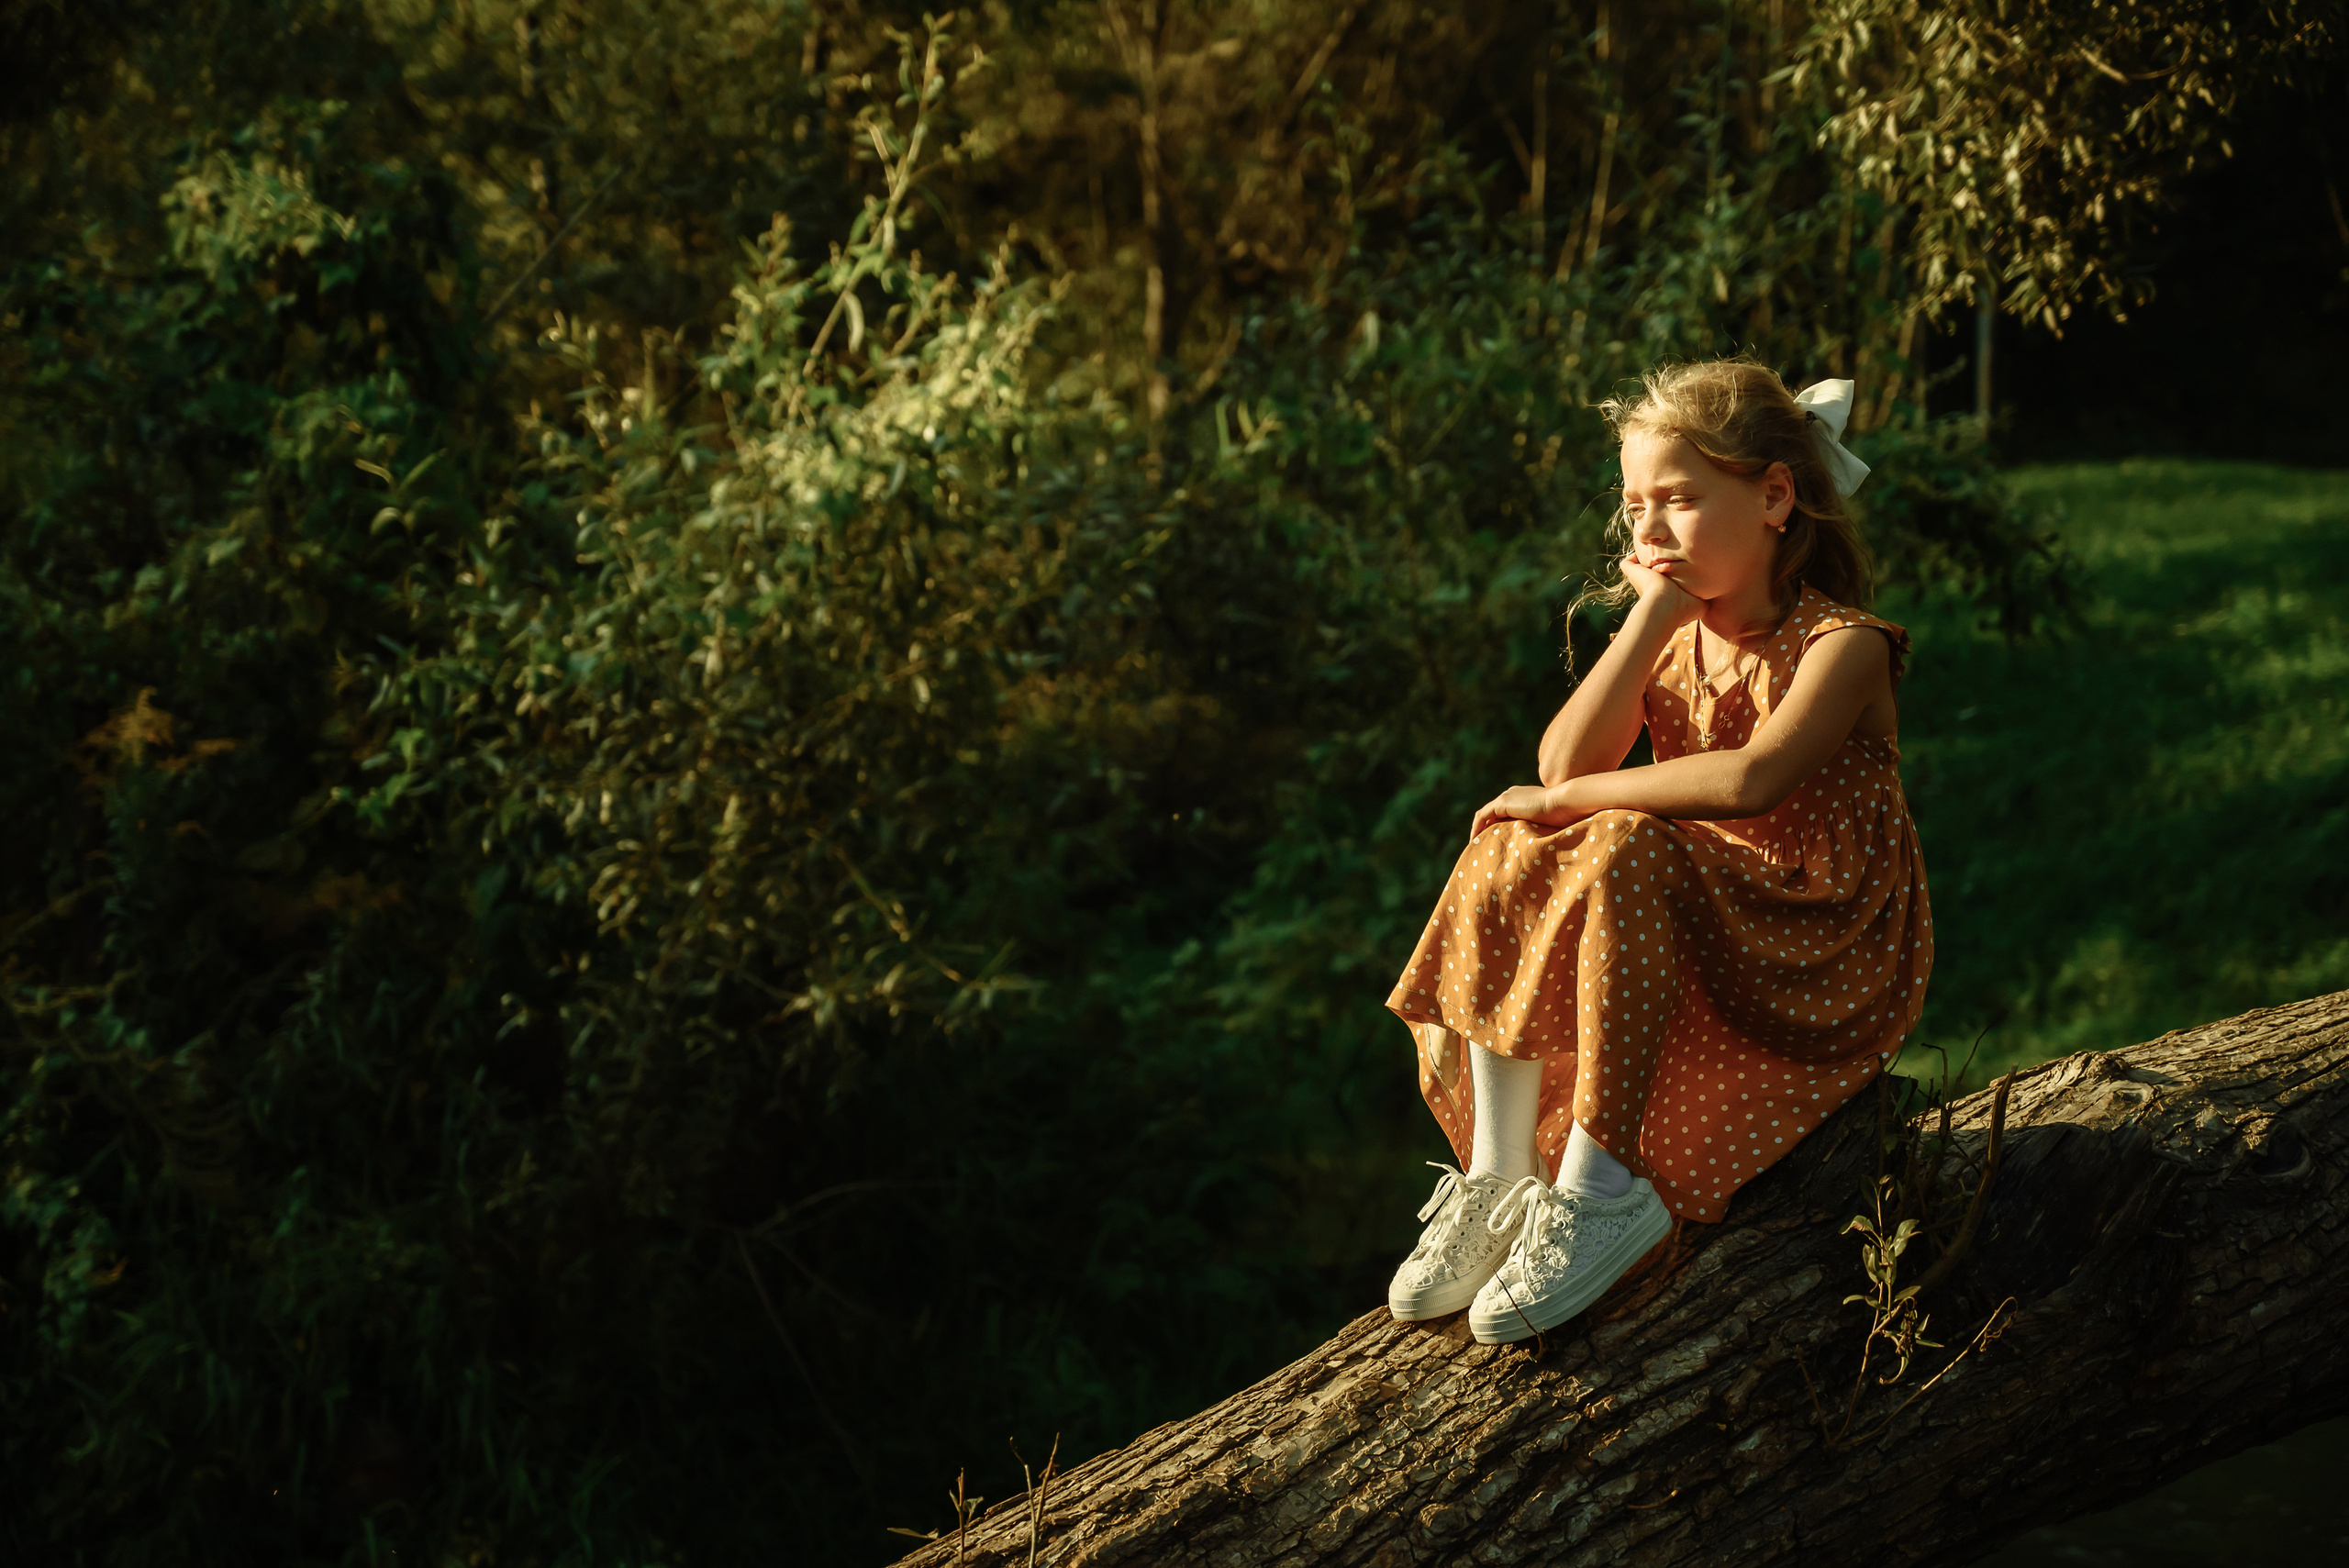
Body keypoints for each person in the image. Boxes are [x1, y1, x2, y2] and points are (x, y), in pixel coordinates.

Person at [1383, 360, 1933, 1344]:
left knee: (1608, 832)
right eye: (1634, 504)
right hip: (1704, 909)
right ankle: (1503, 1175)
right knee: (1512, 837)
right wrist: (1648, 619)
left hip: (1810, 942)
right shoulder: (1673, 632)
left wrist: (1565, 801)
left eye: (1678, 499)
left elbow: (1744, 783)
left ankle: (1602, 1188)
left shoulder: (1839, 645)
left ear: (1774, 495)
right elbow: (1561, 758)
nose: (1646, 529)